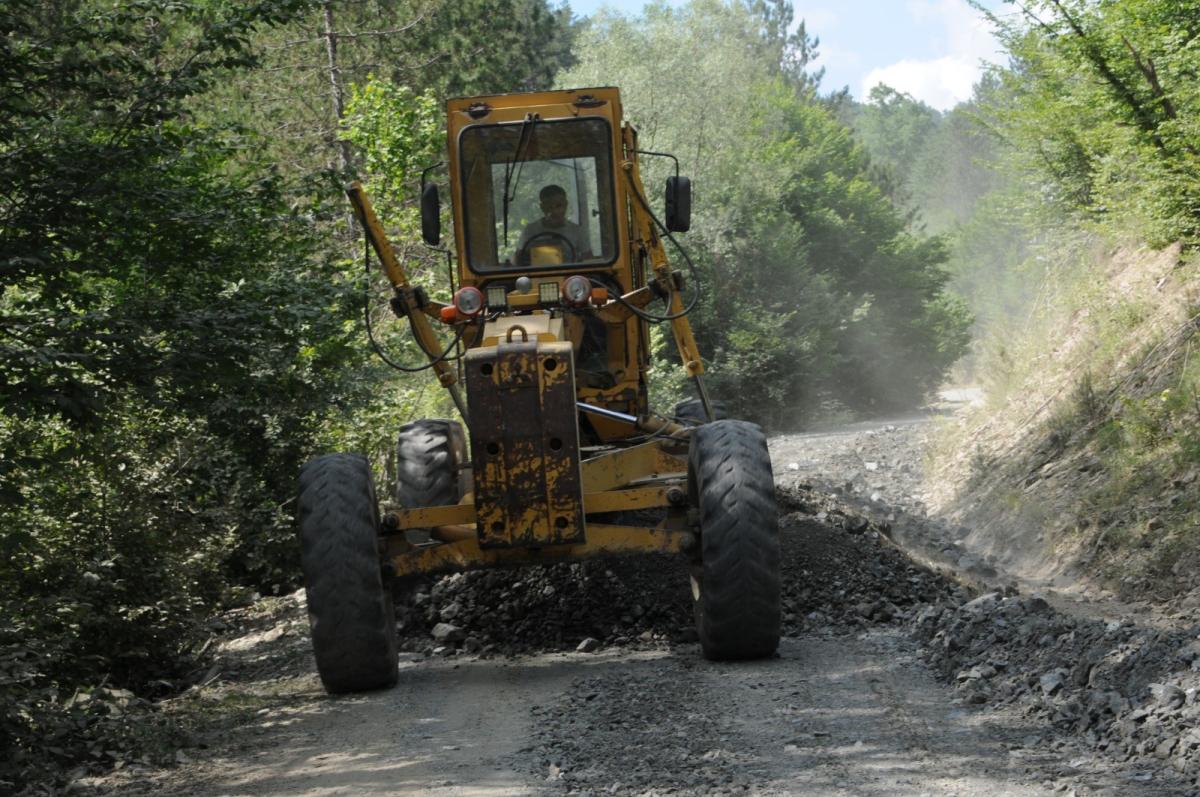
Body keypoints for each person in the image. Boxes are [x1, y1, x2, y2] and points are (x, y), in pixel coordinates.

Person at [514, 184, 592, 265]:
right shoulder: (530, 231)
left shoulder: (577, 232)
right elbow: (518, 261)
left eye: (558, 205)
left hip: (569, 275)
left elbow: (589, 261)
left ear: (566, 204)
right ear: (542, 207)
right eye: (549, 207)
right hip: (537, 276)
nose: (554, 211)